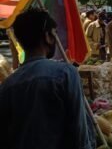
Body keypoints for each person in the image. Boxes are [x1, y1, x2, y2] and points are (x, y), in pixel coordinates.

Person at [0, 9, 95, 149]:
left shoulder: (7, 85)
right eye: (55, 33)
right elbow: (80, 132)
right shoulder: (66, 74)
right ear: (48, 37)